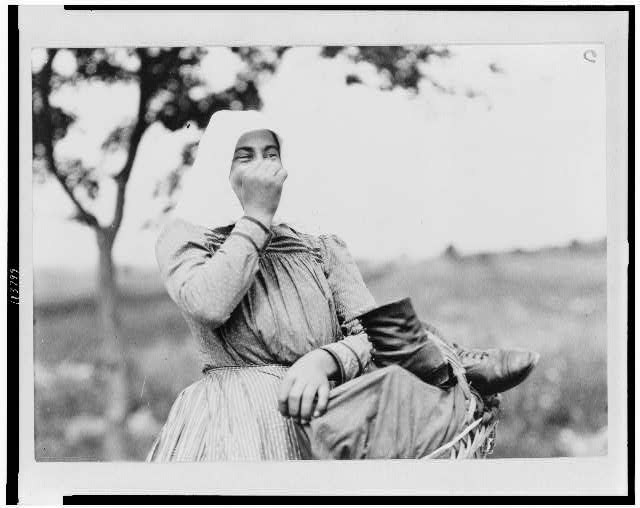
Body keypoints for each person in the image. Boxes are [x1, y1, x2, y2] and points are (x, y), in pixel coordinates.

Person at [147, 110, 538, 461]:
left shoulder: (319, 248)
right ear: (218, 166)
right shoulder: (189, 239)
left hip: (320, 411)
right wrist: (256, 215)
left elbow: (371, 334)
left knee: (400, 338)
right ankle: (450, 361)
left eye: (271, 154)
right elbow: (208, 304)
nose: (262, 166)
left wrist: (324, 360)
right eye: (244, 156)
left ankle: (451, 364)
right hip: (232, 422)